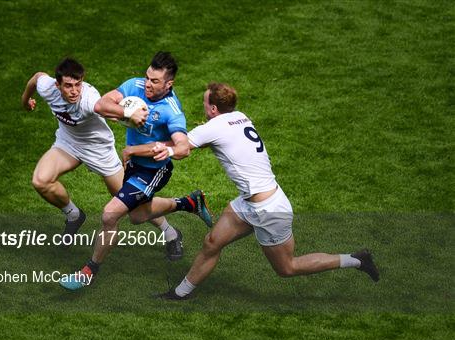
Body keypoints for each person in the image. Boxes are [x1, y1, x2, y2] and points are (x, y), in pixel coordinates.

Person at [157, 82, 379, 300]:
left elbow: (180, 149)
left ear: (213, 109)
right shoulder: (239, 116)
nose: (204, 107)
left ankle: (356, 259)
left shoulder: (214, 127)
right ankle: (180, 292)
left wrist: (146, 143)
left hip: (269, 209)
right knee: (212, 242)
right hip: (249, 202)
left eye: (205, 103)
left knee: (287, 268)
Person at [59, 52, 212, 291]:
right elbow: (101, 105)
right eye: (147, 77)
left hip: (153, 171)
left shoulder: (171, 110)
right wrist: (126, 113)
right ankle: (189, 203)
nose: (148, 84)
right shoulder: (134, 85)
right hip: (132, 166)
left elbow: (183, 147)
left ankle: (89, 270)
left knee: (110, 214)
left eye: (155, 81)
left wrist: (153, 150)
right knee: (137, 216)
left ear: (168, 84)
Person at [21, 58, 180, 251]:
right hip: (67, 143)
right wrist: (25, 100)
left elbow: (102, 107)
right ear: (57, 85)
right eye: (68, 86)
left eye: (78, 84)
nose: (74, 91)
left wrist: (127, 113)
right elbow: (36, 77)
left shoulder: (88, 98)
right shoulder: (48, 88)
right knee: (40, 181)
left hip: (99, 151)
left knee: (132, 204)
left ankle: (170, 232)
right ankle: (74, 215)